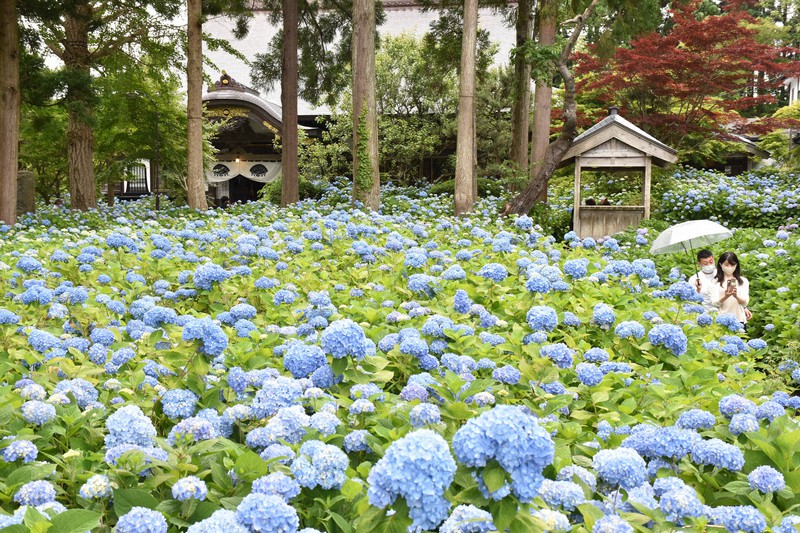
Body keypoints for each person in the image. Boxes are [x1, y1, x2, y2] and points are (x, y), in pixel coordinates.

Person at [710, 251, 750, 326]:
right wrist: (726, 296)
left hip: (739, 319)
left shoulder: (743, 281)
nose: (729, 267)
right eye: (726, 265)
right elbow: (715, 303)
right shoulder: (715, 282)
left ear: (736, 265)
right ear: (720, 264)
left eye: (732, 265)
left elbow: (745, 303)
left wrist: (736, 296)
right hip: (721, 320)